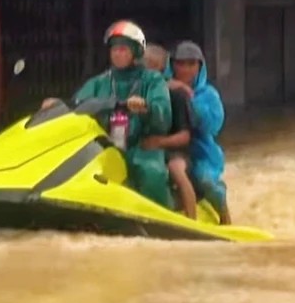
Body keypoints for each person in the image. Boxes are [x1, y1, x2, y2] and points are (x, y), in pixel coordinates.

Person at [69, 21, 173, 209]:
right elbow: (77, 106)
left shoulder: (152, 79)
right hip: (104, 145)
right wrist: (56, 105)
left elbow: (163, 115)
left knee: (151, 173)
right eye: (114, 49)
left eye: (124, 49)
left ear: (136, 51)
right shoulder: (100, 81)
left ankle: (162, 216)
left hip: (141, 147)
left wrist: (146, 108)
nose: (118, 53)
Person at [169, 40, 231, 225]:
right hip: (168, 145)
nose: (185, 69)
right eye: (180, 64)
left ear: (200, 66)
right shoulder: (161, 87)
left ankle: (224, 215)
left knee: (205, 180)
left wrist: (189, 99)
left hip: (200, 151)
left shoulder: (208, 94)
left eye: (191, 64)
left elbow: (213, 125)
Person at [142, 44, 198, 219]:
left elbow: (185, 136)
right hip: (143, 147)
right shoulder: (134, 91)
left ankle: (192, 220)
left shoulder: (177, 95)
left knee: (176, 169)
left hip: (174, 151)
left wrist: (158, 142)